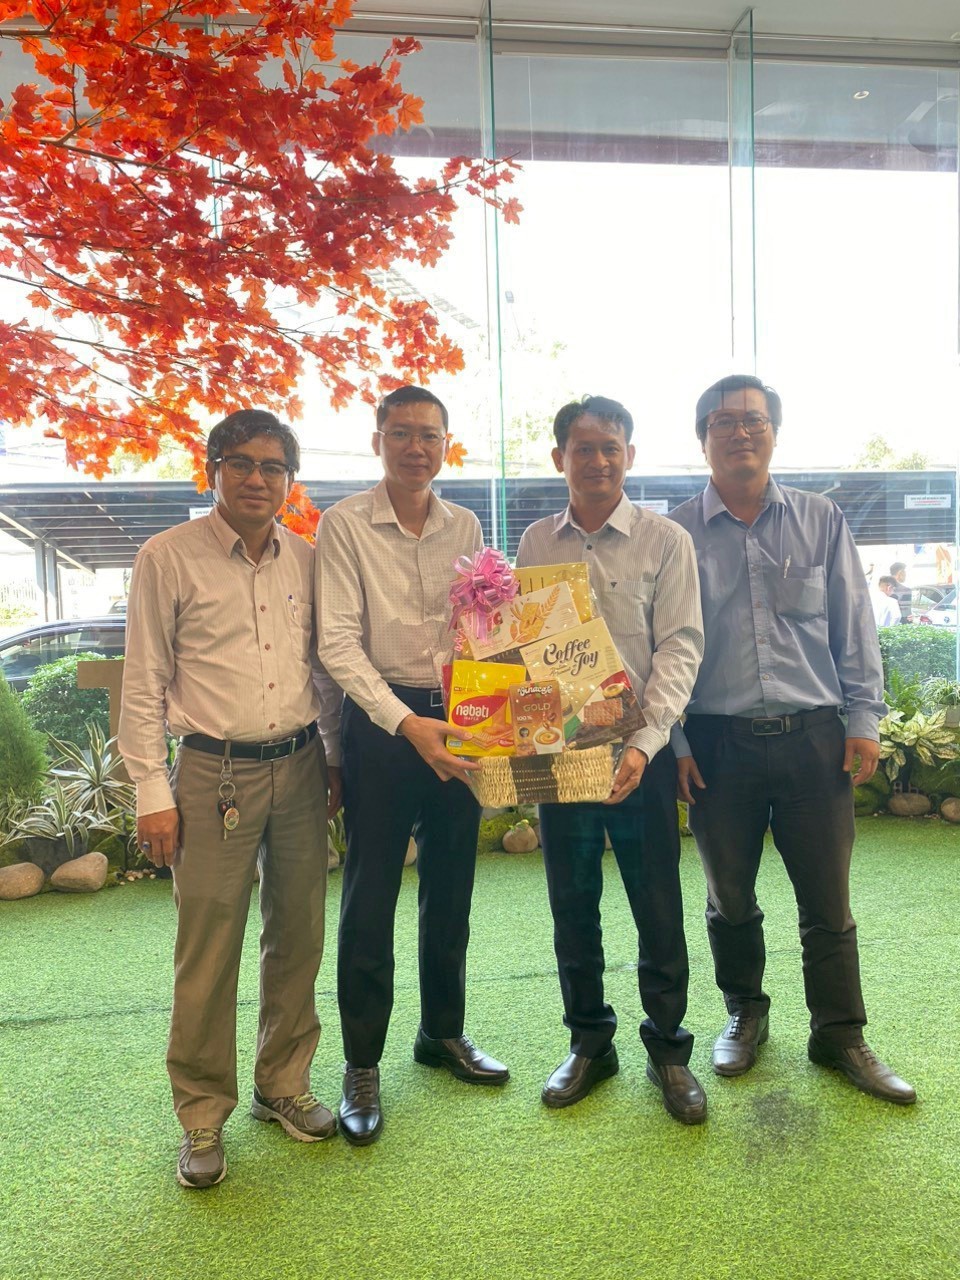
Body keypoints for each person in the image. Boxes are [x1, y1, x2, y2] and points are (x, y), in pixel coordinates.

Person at [670, 374, 915, 1105]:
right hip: (716, 745)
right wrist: (676, 742)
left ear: (773, 432)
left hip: (814, 740)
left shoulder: (821, 519)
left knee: (828, 900)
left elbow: (853, 624)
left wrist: (863, 719)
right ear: (703, 440)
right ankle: (745, 1012)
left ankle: (839, 1034)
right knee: (729, 895)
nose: (739, 432)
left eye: (753, 420)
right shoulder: (675, 534)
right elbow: (661, 649)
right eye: (723, 422)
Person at [118, 409, 343, 1189]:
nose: (257, 478)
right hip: (211, 773)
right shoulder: (167, 557)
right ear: (211, 470)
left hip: (301, 764)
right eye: (240, 463)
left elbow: (322, 671)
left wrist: (333, 758)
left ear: (290, 481)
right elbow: (143, 678)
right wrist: (151, 787)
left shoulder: (306, 559)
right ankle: (202, 1114)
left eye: (273, 467)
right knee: (208, 946)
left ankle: (283, 1084)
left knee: (299, 932)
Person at [316, 385, 509, 1146]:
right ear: (378, 441)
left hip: (459, 719)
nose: (416, 448)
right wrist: (404, 723)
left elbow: (481, 627)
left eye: (430, 435)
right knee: (369, 898)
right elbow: (336, 643)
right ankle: (362, 1062)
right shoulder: (344, 523)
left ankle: (442, 1033)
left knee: (452, 885)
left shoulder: (465, 524)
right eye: (401, 433)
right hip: (382, 725)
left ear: (445, 445)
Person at [515, 395, 707, 1124]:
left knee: (657, 903)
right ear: (559, 457)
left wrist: (646, 742)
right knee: (571, 903)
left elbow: (680, 646)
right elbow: (521, 651)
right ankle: (590, 1043)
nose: (598, 461)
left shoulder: (664, 540)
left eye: (611, 448)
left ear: (629, 456)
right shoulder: (536, 543)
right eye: (584, 448)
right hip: (560, 756)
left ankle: (669, 1051)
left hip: (639, 754)